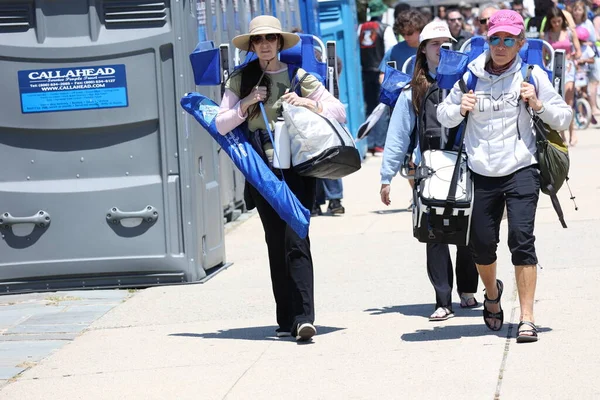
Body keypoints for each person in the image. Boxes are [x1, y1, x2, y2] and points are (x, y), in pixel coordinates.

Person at [438, 10, 572, 342]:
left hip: (521, 168)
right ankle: (493, 296)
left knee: (522, 241)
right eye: (495, 38)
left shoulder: (531, 74)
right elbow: (444, 115)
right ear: (488, 40)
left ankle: (527, 317)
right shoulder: (469, 76)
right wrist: (459, 108)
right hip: (481, 171)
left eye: (508, 40)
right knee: (481, 247)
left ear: (520, 43)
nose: (500, 45)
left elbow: (565, 116)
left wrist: (538, 104)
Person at [215, 15, 347, 341]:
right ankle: (286, 317)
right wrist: (245, 104)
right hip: (262, 171)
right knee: (276, 241)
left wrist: (307, 103)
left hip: (298, 168)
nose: (264, 45)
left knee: (297, 238)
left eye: (270, 39)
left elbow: (339, 112)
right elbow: (220, 124)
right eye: (258, 40)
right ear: (252, 45)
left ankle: (304, 317)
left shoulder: (300, 77)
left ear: (279, 42)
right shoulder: (240, 80)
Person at [380, 20, 480, 322]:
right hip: (429, 169)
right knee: (434, 234)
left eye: (446, 42)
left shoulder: (468, 81)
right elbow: (398, 134)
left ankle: (467, 291)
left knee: (466, 232)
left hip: (466, 166)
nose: (442, 48)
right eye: (435, 43)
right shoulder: (413, 90)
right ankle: (442, 299)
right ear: (423, 49)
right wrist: (386, 176)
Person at [358, 0, 398, 155]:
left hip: (365, 72)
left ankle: (369, 143)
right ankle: (380, 144)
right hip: (381, 73)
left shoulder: (361, 28)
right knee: (382, 108)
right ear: (381, 13)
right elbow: (391, 52)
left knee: (369, 107)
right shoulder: (385, 29)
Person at [541, 6, 581, 146]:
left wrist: (573, 57)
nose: (556, 24)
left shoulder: (569, 32)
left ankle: (572, 132)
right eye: (554, 22)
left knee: (568, 100)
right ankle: (562, 133)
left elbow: (578, 51)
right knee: (558, 101)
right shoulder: (546, 35)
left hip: (568, 66)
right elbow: (544, 56)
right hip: (553, 68)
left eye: (559, 21)